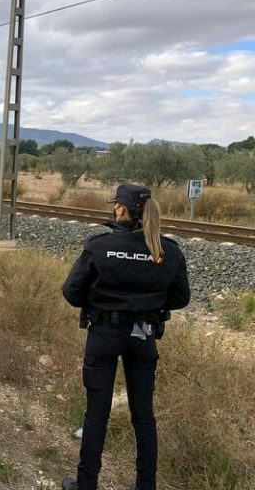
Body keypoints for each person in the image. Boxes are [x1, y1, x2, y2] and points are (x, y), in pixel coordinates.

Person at [61, 183, 191, 490]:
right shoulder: (168, 250)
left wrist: (102, 301)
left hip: (104, 334)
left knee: (97, 414)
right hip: (143, 335)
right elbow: (181, 298)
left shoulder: (100, 245)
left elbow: (72, 292)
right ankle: (146, 485)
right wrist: (149, 303)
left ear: (120, 209)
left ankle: (86, 484)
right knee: (143, 416)